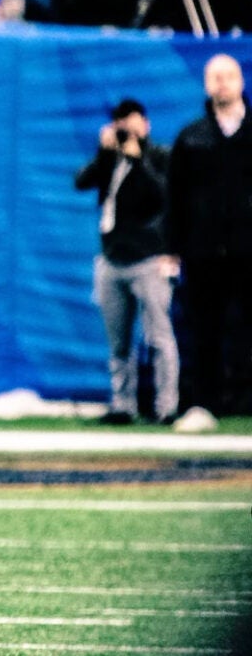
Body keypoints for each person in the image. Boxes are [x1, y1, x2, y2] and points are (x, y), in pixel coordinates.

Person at [74, 98, 177, 426]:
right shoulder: (110, 160)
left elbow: (162, 197)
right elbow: (81, 181)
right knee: (118, 341)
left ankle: (166, 405)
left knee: (158, 336)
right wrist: (105, 152)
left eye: (131, 124)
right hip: (112, 258)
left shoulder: (159, 156)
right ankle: (123, 404)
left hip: (147, 258)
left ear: (145, 125)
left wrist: (139, 159)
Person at [168, 53, 252, 431]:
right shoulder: (192, 136)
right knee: (205, 330)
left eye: (229, 76)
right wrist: (171, 249)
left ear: (241, 82)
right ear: (205, 84)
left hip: (248, 249)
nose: (222, 83)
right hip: (203, 252)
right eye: (214, 76)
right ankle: (204, 404)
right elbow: (175, 197)